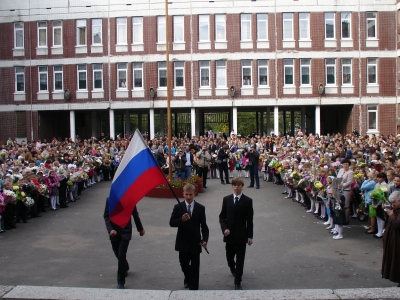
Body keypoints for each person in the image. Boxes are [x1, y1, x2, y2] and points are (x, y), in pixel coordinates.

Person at [169, 184, 209, 290]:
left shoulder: (200, 208)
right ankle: (187, 277)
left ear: (194, 194)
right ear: (183, 194)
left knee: (195, 267)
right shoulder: (178, 207)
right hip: (182, 242)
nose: (188, 197)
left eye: (190, 194)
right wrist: (181, 220)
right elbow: (172, 223)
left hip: (196, 242)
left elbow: (204, 226)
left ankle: (193, 288)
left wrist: (205, 239)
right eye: (186, 194)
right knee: (184, 265)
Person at [219, 177, 254, 290]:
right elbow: (222, 217)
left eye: (238, 185)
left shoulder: (248, 201)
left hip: (241, 235)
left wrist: (250, 236)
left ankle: (237, 281)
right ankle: (232, 268)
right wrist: (224, 229)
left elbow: (249, 220)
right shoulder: (227, 199)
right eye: (234, 185)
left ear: (241, 186)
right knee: (229, 257)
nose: (236, 187)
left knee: (240, 259)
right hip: (229, 235)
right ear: (232, 186)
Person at [103, 198, 145, 289]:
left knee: (121, 255)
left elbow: (135, 214)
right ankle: (125, 266)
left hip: (125, 232)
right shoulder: (110, 199)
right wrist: (110, 229)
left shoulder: (130, 200)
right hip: (114, 232)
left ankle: (120, 281)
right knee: (117, 254)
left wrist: (140, 229)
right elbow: (106, 216)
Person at [381, 191, 400, 287]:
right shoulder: (396, 208)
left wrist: (391, 214)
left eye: (394, 203)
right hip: (393, 238)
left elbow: (397, 224)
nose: (393, 205)